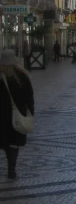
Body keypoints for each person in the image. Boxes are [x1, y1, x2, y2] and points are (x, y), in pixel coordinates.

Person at [0, 49, 34, 179]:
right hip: (18, 115)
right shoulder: (23, 76)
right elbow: (29, 98)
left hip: (3, 116)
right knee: (14, 143)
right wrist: (30, 113)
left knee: (6, 142)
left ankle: (11, 168)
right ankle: (11, 170)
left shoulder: (2, 78)